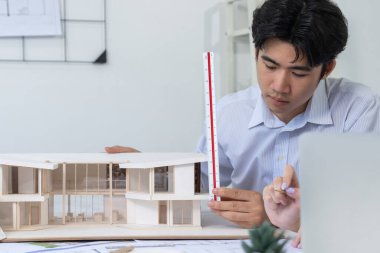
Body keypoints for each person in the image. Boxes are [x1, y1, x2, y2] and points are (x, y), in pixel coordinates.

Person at [106, 0, 380, 233]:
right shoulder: (228, 113)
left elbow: (367, 208)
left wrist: (284, 220)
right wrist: (152, 172)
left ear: (327, 68)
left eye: (298, 73)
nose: (279, 86)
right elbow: (202, 182)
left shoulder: (357, 110)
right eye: (269, 65)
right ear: (256, 52)